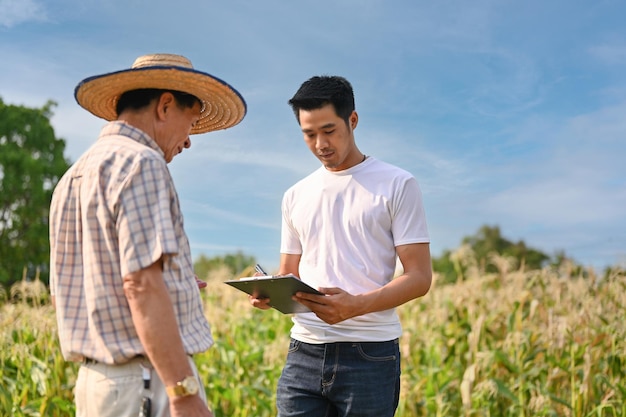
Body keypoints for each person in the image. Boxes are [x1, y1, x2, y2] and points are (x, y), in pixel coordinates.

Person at [49, 53, 246, 417]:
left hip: (95, 385)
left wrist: (173, 283)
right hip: (144, 382)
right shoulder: (142, 162)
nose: (188, 141)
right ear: (166, 105)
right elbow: (140, 285)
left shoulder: (72, 177)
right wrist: (183, 392)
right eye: (192, 121)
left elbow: (76, 289)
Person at [250, 75, 432, 416]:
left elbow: (420, 277)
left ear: (353, 120)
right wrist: (269, 293)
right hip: (304, 350)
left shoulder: (398, 184)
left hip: (370, 354)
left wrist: (357, 306)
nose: (320, 143)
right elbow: (289, 272)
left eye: (329, 130)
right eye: (309, 134)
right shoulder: (295, 195)